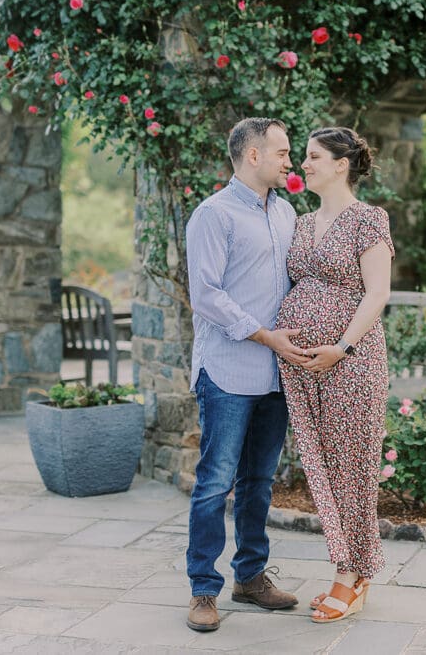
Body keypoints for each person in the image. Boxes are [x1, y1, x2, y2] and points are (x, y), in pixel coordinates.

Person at [184, 117, 311, 632]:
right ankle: (202, 589)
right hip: (228, 370)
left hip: (276, 375)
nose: (290, 161)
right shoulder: (212, 215)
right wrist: (264, 335)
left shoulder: (286, 212)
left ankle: (251, 577)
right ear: (253, 156)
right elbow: (207, 295)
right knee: (215, 483)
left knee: (259, 482)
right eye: (282, 152)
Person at [275, 126, 394, 623]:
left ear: (342, 164)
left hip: (350, 361)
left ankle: (350, 574)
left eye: (314, 156)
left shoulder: (369, 219)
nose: (304, 164)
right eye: (303, 157)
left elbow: (377, 293)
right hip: (302, 368)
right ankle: (352, 567)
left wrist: (340, 347)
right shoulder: (301, 224)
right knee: (321, 469)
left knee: (352, 466)